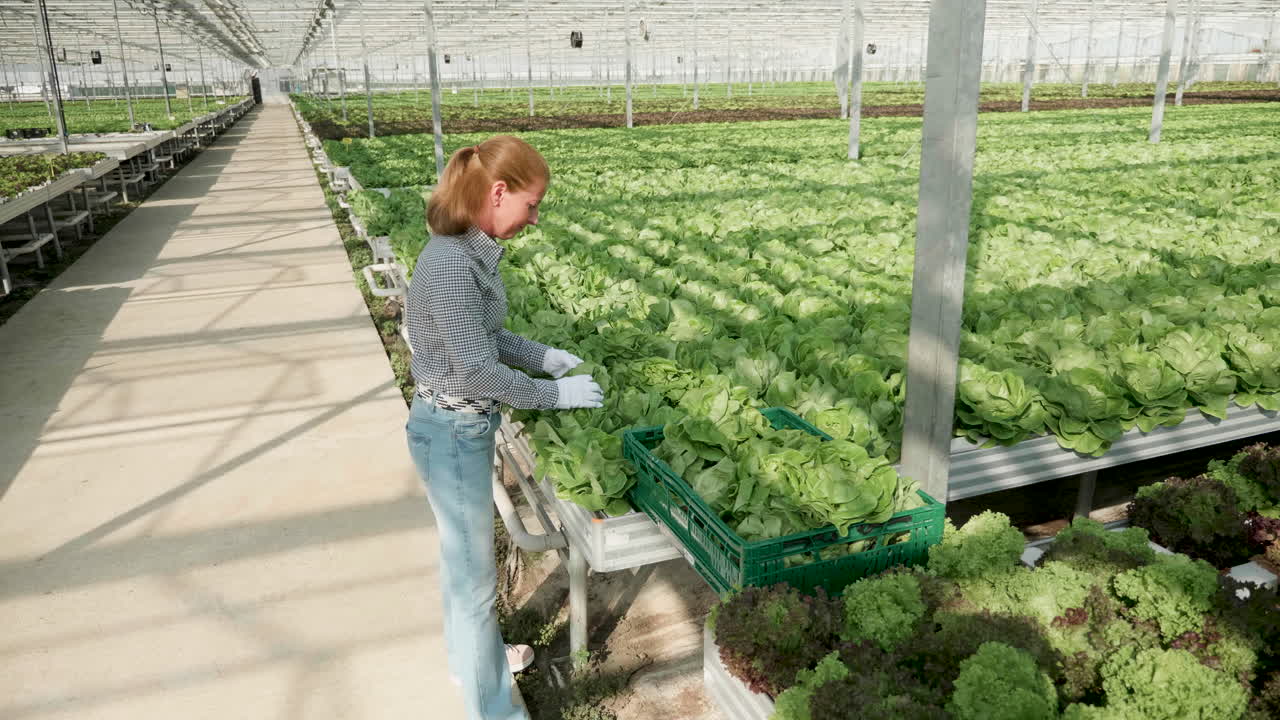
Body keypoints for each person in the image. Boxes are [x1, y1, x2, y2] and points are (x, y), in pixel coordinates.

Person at [404, 135, 604, 720]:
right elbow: (476, 370)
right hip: (452, 428)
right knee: (473, 578)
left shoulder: (469, 251)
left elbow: (485, 338)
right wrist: (555, 395)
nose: (535, 217)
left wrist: (542, 355)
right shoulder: (449, 264)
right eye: (532, 203)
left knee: (460, 559)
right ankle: (495, 710)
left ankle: (470, 657)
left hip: (455, 426)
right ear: (498, 192)